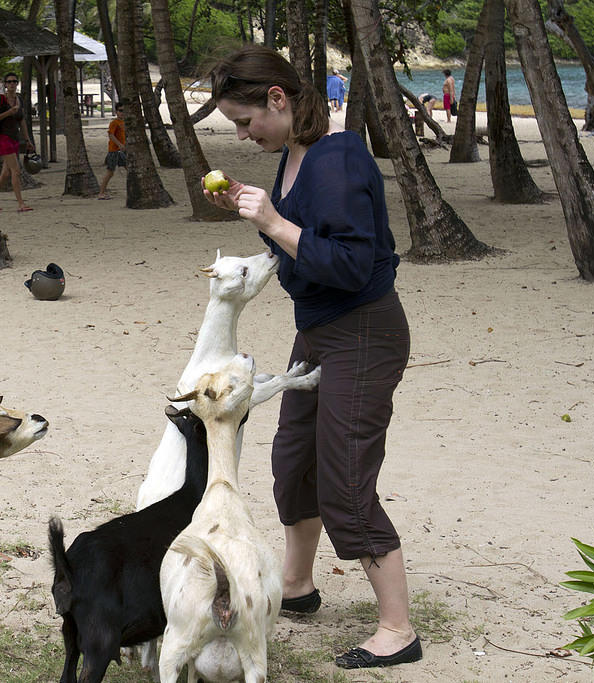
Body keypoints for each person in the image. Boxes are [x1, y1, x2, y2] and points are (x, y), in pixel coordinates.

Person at [203, 45, 420, 671]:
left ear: (279, 99)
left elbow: (350, 265)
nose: (244, 135)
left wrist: (270, 220)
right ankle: (298, 586)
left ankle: (397, 628)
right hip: (320, 330)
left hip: (364, 330)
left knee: (346, 476)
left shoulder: (339, 156)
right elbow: (306, 247)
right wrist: (257, 211)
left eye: (247, 122)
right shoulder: (295, 158)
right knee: (294, 459)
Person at [0, 72, 35, 212]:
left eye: (14, 81)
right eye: (9, 82)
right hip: (3, 138)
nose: (12, 84)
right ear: (5, 84)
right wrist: (8, 112)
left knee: (6, 173)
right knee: (16, 171)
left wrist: (27, 139)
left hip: (14, 138)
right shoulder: (0, 100)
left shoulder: (19, 100)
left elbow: (22, 121)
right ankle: (20, 204)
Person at [97, 100, 126, 200]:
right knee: (110, 172)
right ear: (116, 111)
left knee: (129, 169)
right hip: (114, 150)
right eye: (120, 111)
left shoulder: (124, 122)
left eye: (124, 111)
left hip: (121, 151)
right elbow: (111, 135)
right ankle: (101, 192)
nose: (122, 113)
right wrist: (119, 144)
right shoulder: (114, 123)